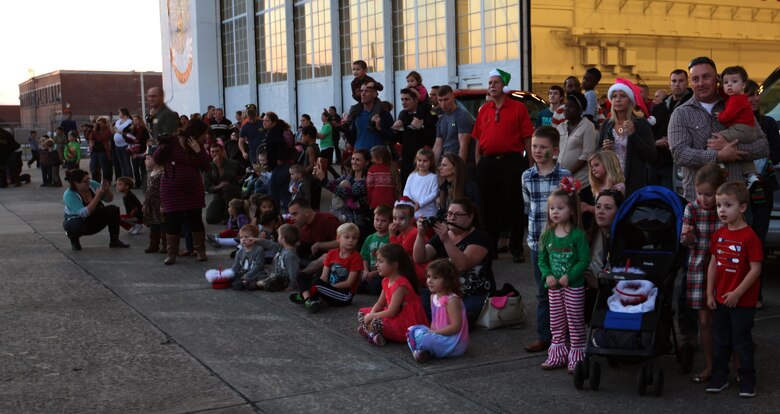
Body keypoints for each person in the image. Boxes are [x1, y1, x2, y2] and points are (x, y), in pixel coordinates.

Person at [668, 56, 769, 205]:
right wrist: (718, 155)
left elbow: (764, 146)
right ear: (691, 82)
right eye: (695, 79)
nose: (701, 83)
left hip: (736, 201)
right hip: (700, 202)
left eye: (706, 77)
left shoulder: (738, 105)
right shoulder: (681, 113)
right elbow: (679, 153)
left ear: (717, 78)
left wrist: (734, 151)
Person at [471, 69, 534, 263]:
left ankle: (516, 248)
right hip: (488, 163)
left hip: (511, 162)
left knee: (513, 206)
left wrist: (531, 163)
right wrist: (478, 163)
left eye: (496, 82)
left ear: (503, 86)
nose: (491, 86)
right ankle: (491, 248)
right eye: (490, 82)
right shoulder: (484, 110)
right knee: (488, 207)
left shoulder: (518, 108)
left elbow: (527, 137)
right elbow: (478, 139)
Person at [705, 182, 762, 397]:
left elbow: (756, 269)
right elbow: (713, 264)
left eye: (728, 205)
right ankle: (719, 376)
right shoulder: (718, 235)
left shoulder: (750, 237)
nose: (722, 210)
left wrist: (738, 293)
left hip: (742, 302)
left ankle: (747, 378)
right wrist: (710, 293)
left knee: (742, 341)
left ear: (743, 208)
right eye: (719, 205)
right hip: (720, 300)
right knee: (721, 340)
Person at [521, 126, 572, 353]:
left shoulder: (565, 176)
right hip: (537, 242)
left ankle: (567, 336)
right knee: (543, 290)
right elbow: (527, 206)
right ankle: (545, 336)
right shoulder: (526, 176)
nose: (538, 151)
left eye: (543, 147)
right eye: (534, 147)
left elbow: (572, 209)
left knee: (566, 289)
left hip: (562, 243)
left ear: (555, 150)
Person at [412, 198, 495, 327]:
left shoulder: (479, 237)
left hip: (472, 293)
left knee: (449, 315)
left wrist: (445, 239)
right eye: (449, 214)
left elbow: (462, 265)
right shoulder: (444, 235)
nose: (452, 218)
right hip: (444, 291)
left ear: (470, 217)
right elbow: (419, 258)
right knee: (415, 299)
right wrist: (420, 235)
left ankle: (447, 319)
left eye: (458, 215)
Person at [681, 164, 727, 384]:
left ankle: (729, 364)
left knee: (724, 320)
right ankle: (710, 365)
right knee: (704, 321)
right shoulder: (692, 208)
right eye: (700, 193)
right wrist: (688, 236)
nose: (704, 199)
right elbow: (688, 242)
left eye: (709, 194)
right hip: (699, 266)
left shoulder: (724, 209)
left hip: (724, 269)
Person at [538, 186, 590, 372]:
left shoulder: (577, 235)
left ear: (571, 211)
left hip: (573, 287)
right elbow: (542, 260)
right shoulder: (547, 235)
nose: (555, 212)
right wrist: (548, 275)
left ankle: (576, 355)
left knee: (575, 321)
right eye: (552, 208)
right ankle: (557, 355)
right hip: (554, 288)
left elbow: (584, 260)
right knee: (556, 322)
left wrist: (570, 276)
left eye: (560, 208)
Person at [153, 118, 212, 264]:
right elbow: (157, 159)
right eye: (203, 133)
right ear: (196, 131)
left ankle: (200, 251)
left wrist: (199, 151)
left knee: (196, 221)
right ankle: (171, 254)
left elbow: (206, 167)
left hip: (193, 190)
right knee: (173, 222)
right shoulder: (172, 141)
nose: (205, 137)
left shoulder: (197, 144)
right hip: (172, 190)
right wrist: (161, 146)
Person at [745, 79, 780, 309]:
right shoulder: (733, 123)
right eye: (749, 95)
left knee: (757, 241)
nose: (755, 99)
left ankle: (755, 294)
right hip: (739, 191)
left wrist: (761, 162)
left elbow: (776, 154)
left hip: (763, 190)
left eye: (756, 94)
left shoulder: (767, 123)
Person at [357, 243, 428, 346]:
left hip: (405, 322)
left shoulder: (401, 284)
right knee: (361, 313)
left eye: (381, 261)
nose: (376, 265)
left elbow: (391, 312)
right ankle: (373, 332)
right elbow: (380, 304)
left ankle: (372, 333)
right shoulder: (386, 280)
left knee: (376, 322)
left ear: (394, 264)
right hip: (393, 317)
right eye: (377, 261)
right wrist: (370, 314)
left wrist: (371, 317)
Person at [597, 78, 657, 197]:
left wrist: (633, 135)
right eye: (614, 96)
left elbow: (652, 156)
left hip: (633, 183)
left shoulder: (641, 123)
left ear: (630, 100)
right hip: (610, 182)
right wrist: (604, 150)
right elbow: (596, 154)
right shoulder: (607, 124)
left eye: (622, 96)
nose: (617, 99)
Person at [290, 223, 363, 313]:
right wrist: (324, 287)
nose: (351, 240)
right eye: (347, 237)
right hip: (327, 290)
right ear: (338, 238)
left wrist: (327, 287)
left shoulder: (356, 257)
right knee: (302, 275)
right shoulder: (331, 253)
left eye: (354, 238)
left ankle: (305, 297)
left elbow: (349, 283)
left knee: (317, 284)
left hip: (343, 295)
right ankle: (309, 300)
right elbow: (324, 277)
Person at [406, 259, 469, 362]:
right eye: (428, 276)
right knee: (411, 330)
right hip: (438, 335)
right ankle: (423, 352)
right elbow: (434, 321)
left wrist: (434, 333)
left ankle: (420, 350)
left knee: (425, 339)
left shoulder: (452, 300)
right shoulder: (433, 297)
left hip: (452, 342)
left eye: (435, 278)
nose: (430, 281)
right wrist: (431, 332)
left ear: (447, 281)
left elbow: (455, 327)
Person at [717, 66, 761, 197]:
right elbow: (725, 94)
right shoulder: (738, 97)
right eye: (726, 83)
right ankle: (752, 176)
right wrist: (720, 85)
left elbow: (728, 115)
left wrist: (720, 116)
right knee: (740, 152)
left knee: (716, 139)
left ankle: (720, 165)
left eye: (734, 82)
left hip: (741, 129)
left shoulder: (736, 99)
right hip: (748, 131)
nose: (729, 85)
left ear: (743, 85)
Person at [62, 169, 129, 250]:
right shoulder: (69, 195)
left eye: (88, 179)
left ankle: (114, 240)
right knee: (75, 225)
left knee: (113, 209)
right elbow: (84, 213)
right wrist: (97, 196)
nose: (88, 182)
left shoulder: (92, 184)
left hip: (93, 218)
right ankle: (74, 240)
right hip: (78, 221)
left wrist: (107, 190)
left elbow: (109, 199)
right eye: (85, 181)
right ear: (76, 183)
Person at [584, 189, 625, 323]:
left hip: (615, 298)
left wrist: (598, 285)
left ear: (619, 211)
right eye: (598, 206)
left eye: (608, 208)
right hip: (591, 293)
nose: (600, 211)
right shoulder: (590, 235)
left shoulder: (624, 241)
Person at [651, 69, 693, 188]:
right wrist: (656, 141)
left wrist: (674, 141)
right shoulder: (659, 107)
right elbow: (651, 131)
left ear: (687, 83)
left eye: (681, 81)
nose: (677, 84)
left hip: (678, 162)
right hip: (657, 160)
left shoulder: (692, 105)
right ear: (669, 83)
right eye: (674, 81)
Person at [556, 92, 597, 202]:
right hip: (563, 181)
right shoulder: (561, 127)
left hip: (581, 182)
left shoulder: (588, 126)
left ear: (580, 110)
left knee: (579, 212)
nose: (566, 109)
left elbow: (587, 154)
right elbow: (556, 151)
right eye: (566, 105)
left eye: (571, 106)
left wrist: (568, 172)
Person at [314, 149, 370, 231]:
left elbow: (346, 193)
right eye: (353, 159)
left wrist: (323, 179)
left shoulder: (364, 181)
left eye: (358, 160)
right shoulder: (348, 176)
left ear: (367, 162)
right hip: (342, 218)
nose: (353, 162)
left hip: (355, 222)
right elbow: (332, 184)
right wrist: (318, 177)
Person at [433, 85, 476, 179]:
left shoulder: (462, 116)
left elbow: (463, 146)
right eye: (440, 100)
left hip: (459, 165)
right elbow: (438, 146)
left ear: (453, 97)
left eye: (446, 99)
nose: (443, 104)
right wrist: (433, 168)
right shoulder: (441, 120)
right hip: (446, 165)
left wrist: (459, 170)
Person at [393, 88, 436, 181]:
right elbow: (398, 139)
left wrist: (421, 128)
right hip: (406, 163)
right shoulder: (403, 116)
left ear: (416, 100)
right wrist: (394, 130)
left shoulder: (427, 116)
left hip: (423, 163)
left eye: (407, 99)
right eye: (402, 99)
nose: (403, 102)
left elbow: (433, 140)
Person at [210, 224, 266, 291]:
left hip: (255, 273)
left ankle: (250, 284)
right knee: (232, 277)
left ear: (254, 238)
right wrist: (226, 274)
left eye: (246, 237)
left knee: (261, 277)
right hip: (243, 273)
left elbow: (258, 266)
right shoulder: (239, 252)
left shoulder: (259, 250)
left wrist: (247, 275)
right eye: (241, 237)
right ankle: (243, 283)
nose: (243, 239)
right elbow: (235, 267)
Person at [288, 198, 342, 263]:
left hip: (333, 260)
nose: (292, 218)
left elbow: (342, 242)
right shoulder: (301, 225)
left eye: (295, 214)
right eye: (291, 215)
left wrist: (320, 245)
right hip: (310, 258)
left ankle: (302, 273)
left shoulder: (328, 220)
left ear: (307, 212)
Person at [345, 82, 394, 151]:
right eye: (361, 91)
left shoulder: (384, 114)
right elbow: (353, 139)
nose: (363, 94)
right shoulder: (356, 113)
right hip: (360, 156)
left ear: (374, 94)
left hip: (377, 157)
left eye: (366, 91)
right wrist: (344, 129)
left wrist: (379, 128)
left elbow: (393, 138)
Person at [252, 224, 301, 291]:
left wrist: (291, 286)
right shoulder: (282, 248)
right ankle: (258, 282)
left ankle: (255, 284)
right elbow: (270, 244)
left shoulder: (290, 255)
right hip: (276, 275)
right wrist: (257, 240)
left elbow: (293, 272)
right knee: (262, 274)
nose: (278, 237)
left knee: (270, 282)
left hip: (284, 280)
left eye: (279, 235)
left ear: (283, 239)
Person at [262, 112, 296, 209]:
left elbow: (281, 145)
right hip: (283, 165)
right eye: (263, 121)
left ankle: (275, 214)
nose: (264, 123)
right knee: (284, 191)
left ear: (273, 122)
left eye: (267, 121)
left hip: (281, 166)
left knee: (273, 190)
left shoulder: (275, 133)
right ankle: (290, 214)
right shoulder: (275, 131)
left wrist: (280, 159)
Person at [205, 143, 242, 224]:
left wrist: (219, 166)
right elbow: (208, 187)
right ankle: (224, 213)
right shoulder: (209, 167)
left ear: (223, 151)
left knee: (226, 188)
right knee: (210, 218)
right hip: (219, 194)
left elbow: (227, 180)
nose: (215, 154)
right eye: (212, 152)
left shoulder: (232, 163)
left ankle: (230, 216)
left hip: (233, 192)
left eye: (217, 151)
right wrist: (218, 187)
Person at [360, 204, 392, 295]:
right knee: (357, 286)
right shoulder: (369, 238)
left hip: (382, 274)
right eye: (377, 220)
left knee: (373, 289)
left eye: (383, 221)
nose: (379, 223)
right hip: (369, 272)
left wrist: (374, 273)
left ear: (390, 222)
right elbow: (364, 257)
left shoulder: (390, 238)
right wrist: (366, 271)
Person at [581, 150, 625, 214]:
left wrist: (588, 208)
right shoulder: (598, 187)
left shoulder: (620, 187)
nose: (593, 169)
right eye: (592, 166)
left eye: (596, 165)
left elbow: (610, 210)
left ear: (608, 164)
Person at [403, 148, 439, 219]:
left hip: (428, 214)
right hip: (413, 212)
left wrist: (420, 203)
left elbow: (434, 193)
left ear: (431, 162)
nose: (421, 163)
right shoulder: (412, 175)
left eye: (425, 161)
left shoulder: (433, 177)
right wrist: (411, 202)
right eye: (419, 160)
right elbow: (406, 190)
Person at [143, 153, 166, 254]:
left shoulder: (163, 174)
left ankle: (165, 245)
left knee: (163, 225)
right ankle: (154, 244)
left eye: (148, 159)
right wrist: (145, 204)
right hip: (151, 205)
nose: (145, 161)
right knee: (153, 225)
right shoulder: (149, 174)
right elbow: (148, 191)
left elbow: (164, 191)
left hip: (159, 205)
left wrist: (163, 204)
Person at [366, 145, 401, 210]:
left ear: (379, 160)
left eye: (373, 158)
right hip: (391, 202)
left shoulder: (372, 169)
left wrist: (369, 201)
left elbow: (369, 188)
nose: (371, 160)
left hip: (376, 202)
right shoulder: (393, 168)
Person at [297, 125, 321, 210]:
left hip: (311, 179)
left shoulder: (310, 148)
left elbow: (311, 165)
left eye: (303, 136)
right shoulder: (316, 146)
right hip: (316, 179)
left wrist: (302, 174)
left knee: (310, 203)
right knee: (316, 204)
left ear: (308, 136)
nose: (302, 138)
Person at [88, 118, 114, 184]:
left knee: (104, 167)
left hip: (103, 151)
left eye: (100, 123)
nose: (99, 125)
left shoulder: (107, 131)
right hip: (95, 151)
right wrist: (94, 129)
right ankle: (95, 182)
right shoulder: (95, 130)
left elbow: (100, 139)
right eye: (97, 123)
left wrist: (95, 132)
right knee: (94, 167)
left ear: (104, 124)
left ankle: (106, 182)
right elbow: (91, 138)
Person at [128, 115, 150, 187]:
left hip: (141, 150)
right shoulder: (132, 130)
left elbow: (146, 140)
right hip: (134, 151)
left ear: (140, 120)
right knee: (135, 167)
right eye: (133, 120)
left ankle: (144, 183)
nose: (135, 121)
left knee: (142, 167)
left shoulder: (143, 129)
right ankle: (137, 183)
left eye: (136, 120)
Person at [113, 108, 134, 178]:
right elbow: (115, 129)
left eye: (119, 112)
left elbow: (129, 132)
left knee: (126, 162)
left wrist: (120, 131)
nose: (118, 113)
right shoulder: (118, 121)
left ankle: (130, 178)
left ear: (123, 113)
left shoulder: (129, 121)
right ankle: (124, 178)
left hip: (125, 144)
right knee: (121, 163)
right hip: (117, 145)